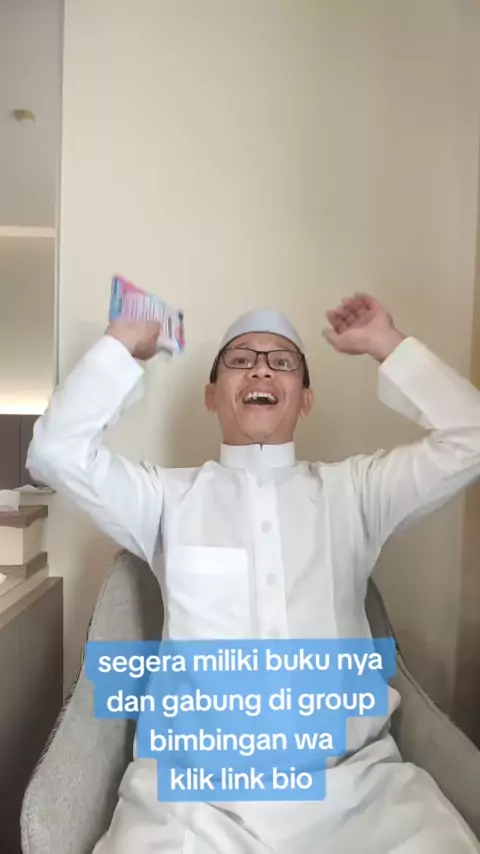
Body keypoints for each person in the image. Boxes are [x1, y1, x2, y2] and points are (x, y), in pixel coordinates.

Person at [27, 293, 480, 853]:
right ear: (212, 395)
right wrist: (121, 346)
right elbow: (55, 451)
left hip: (356, 791)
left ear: (305, 400)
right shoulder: (166, 500)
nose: (261, 369)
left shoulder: (357, 493)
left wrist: (388, 344)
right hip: (196, 801)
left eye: (282, 361)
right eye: (240, 359)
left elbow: (471, 438)